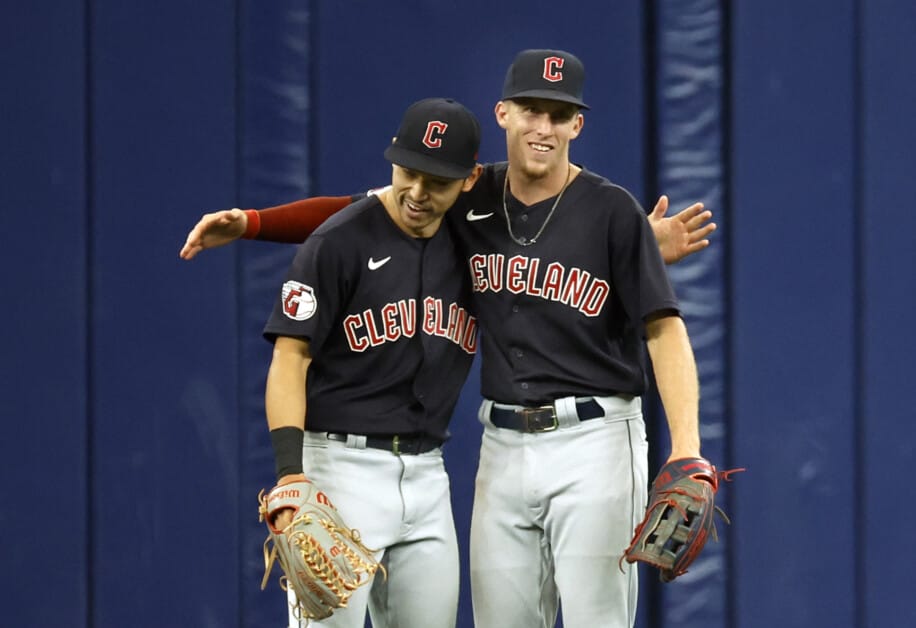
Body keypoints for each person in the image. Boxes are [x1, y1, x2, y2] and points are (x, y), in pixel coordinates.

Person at [180, 50, 716, 628]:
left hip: (594, 439)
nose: (543, 126)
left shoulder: (612, 213)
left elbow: (665, 329)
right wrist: (255, 223)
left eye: (558, 115)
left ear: (577, 125)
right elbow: (359, 214)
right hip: (496, 445)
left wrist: (686, 445)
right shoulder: (469, 194)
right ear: (504, 113)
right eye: (530, 110)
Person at [262, 97, 482, 628]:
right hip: (339, 473)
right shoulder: (338, 241)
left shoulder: (476, 236)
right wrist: (292, 476)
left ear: (470, 180)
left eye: (437, 181)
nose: (417, 192)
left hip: (429, 475)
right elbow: (290, 359)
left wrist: (639, 239)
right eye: (408, 171)